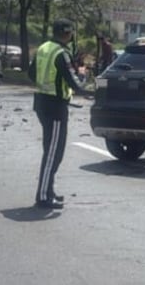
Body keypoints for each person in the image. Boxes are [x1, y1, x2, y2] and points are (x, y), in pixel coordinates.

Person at [27, 19, 91, 209]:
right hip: (55, 107)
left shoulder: (44, 48)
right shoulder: (62, 53)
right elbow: (74, 83)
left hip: (41, 102)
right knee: (53, 152)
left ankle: (49, 190)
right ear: (67, 33)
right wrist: (84, 78)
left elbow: (31, 74)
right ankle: (44, 196)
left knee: (52, 150)